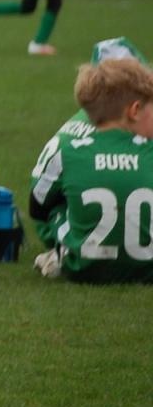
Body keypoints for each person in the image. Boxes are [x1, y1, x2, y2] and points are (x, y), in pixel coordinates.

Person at [28, 50, 153, 284]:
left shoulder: (66, 146)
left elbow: (37, 207)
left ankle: (61, 252)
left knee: (56, 206)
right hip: (149, 270)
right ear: (135, 110)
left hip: (82, 268)